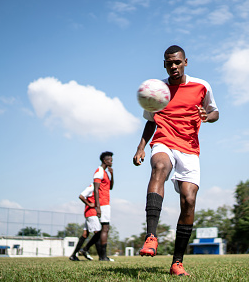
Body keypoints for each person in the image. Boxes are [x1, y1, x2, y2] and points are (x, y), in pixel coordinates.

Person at [133, 45, 219, 276]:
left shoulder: (202, 86)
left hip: (190, 148)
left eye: (177, 62)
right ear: (164, 64)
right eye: (169, 62)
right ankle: (151, 236)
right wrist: (141, 147)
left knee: (189, 200)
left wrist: (206, 116)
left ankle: (177, 263)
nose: (173, 66)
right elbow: (151, 121)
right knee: (159, 167)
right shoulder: (157, 90)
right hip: (164, 140)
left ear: (185, 62)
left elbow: (215, 112)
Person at [69, 184, 101, 261]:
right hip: (91, 213)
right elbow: (81, 196)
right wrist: (89, 204)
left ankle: (73, 255)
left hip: (90, 214)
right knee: (98, 233)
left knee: (85, 235)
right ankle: (86, 250)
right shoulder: (92, 187)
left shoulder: (98, 188)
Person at [93, 151, 115, 261]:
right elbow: (95, 189)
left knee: (104, 229)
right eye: (110, 159)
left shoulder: (105, 172)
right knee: (105, 228)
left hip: (106, 203)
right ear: (105, 161)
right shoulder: (99, 171)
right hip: (102, 203)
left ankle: (102, 256)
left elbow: (110, 187)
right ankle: (103, 256)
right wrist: (98, 206)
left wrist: (112, 174)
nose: (112, 161)